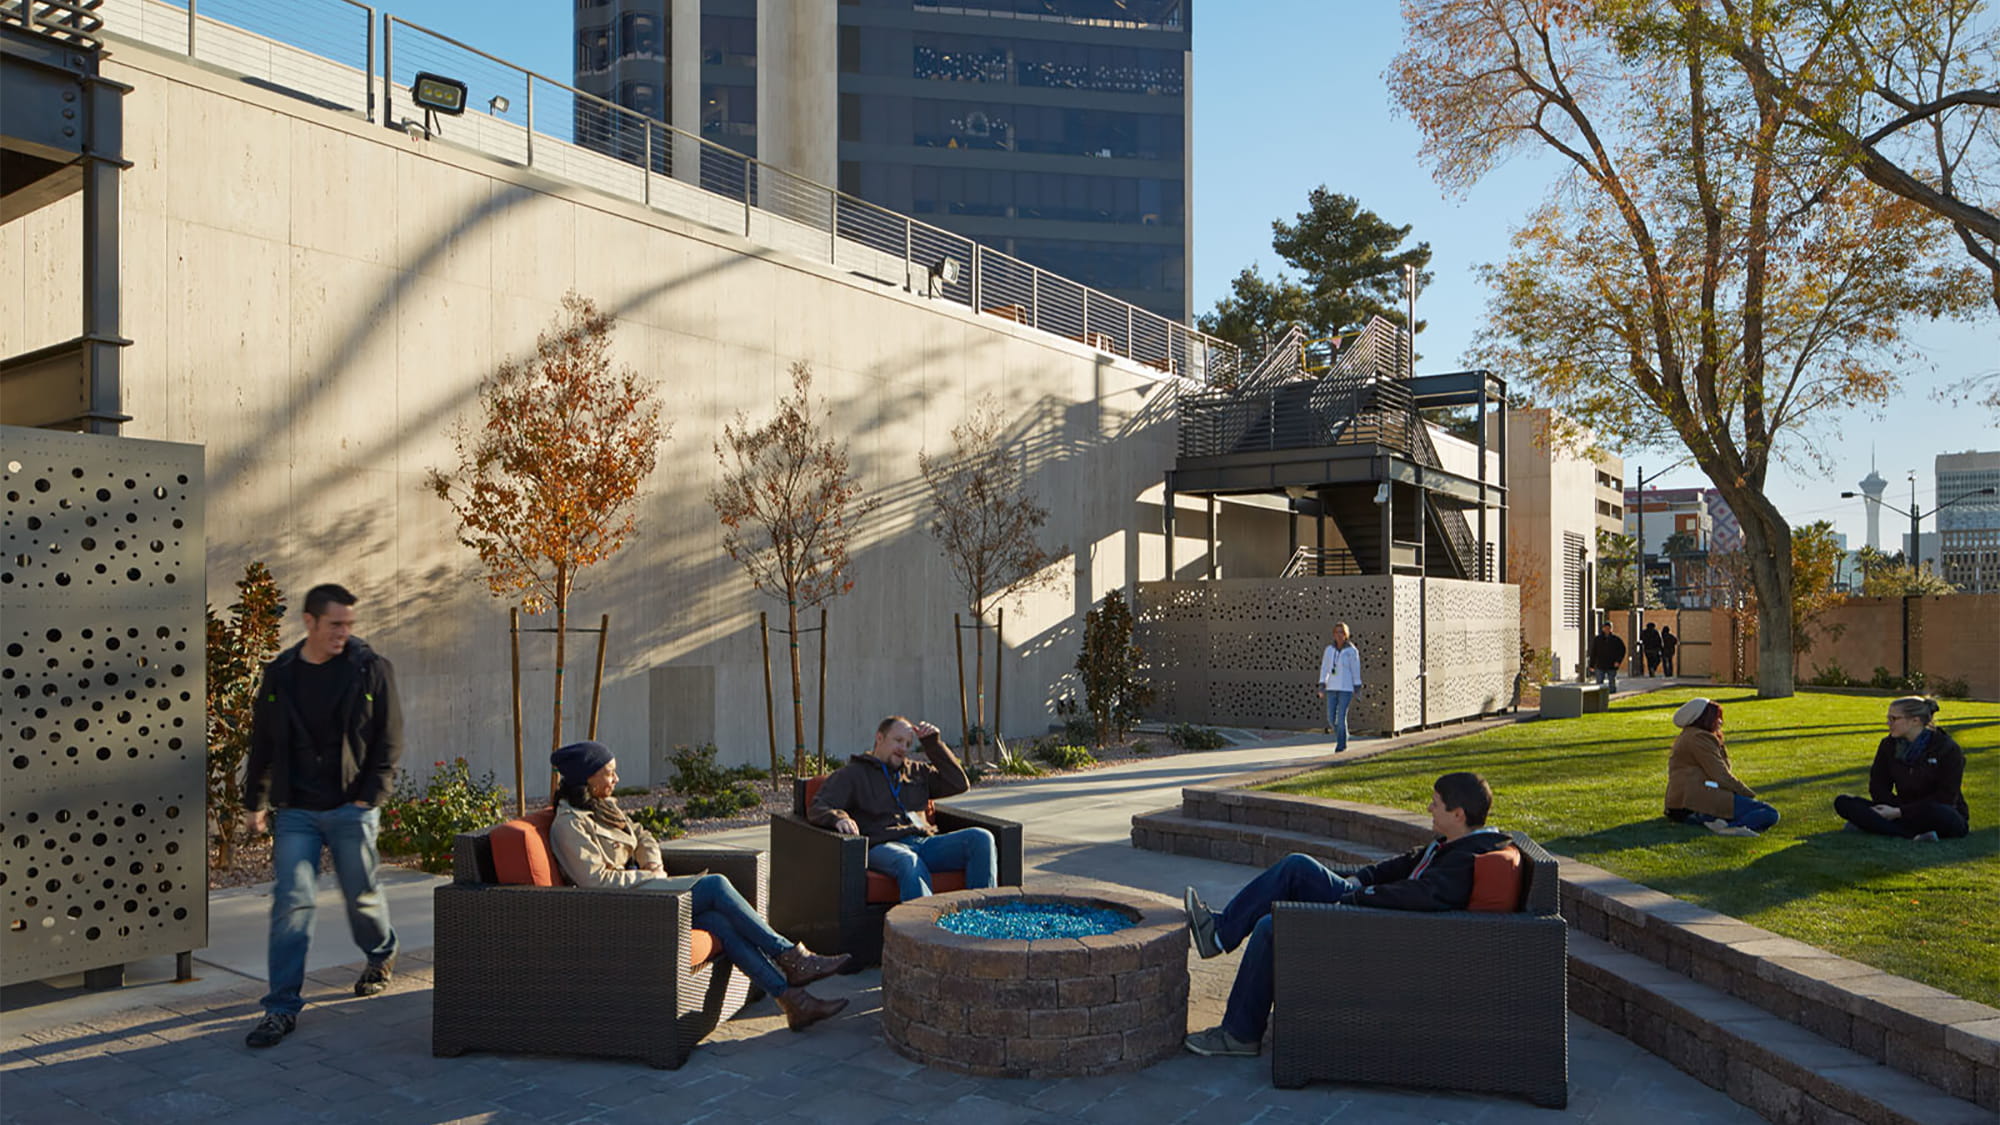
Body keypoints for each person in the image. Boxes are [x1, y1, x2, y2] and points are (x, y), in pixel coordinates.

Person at [1180, 773, 1511, 1057]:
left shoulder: (1467, 856)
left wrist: (1360, 896)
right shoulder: (1452, 842)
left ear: (1458, 813)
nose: (1428, 808)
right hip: (1376, 915)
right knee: (1296, 868)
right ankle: (1219, 937)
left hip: (1379, 928)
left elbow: (1425, 896)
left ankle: (1238, 1032)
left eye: (1436, 803)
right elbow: (1402, 865)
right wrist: (1362, 878)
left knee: (1272, 925)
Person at [548, 740, 852, 1029]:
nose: (617, 778)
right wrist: (650, 877)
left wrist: (652, 863)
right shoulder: (568, 824)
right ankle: (792, 958)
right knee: (716, 885)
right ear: (587, 778)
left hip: (646, 895)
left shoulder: (603, 807)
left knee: (719, 922)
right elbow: (596, 882)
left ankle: (792, 1001)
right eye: (609, 772)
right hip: (623, 908)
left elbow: (642, 835)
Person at [240, 584, 402, 1049]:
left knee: (363, 897)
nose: (344, 633)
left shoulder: (371, 670)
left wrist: (369, 797)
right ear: (309, 622)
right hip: (297, 812)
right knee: (292, 903)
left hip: (351, 807)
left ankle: (381, 952)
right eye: (335, 625)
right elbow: (263, 744)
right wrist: (256, 802)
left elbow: (390, 741)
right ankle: (281, 1008)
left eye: (349, 625)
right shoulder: (281, 675)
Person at [809, 716, 997, 900]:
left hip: (924, 843)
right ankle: (923, 929)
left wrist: (933, 744)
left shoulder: (916, 771)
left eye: (908, 744)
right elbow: (819, 804)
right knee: (908, 861)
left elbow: (958, 784)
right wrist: (839, 818)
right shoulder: (853, 774)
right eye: (898, 740)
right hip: (882, 846)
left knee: (980, 838)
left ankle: (982, 917)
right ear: (879, 738)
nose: (903, 749)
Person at [1833, 697, 1970, 841]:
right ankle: (1914, 835)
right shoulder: (1888, 745)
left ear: (1915, 721)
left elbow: (1946, 797)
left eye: (1894, 719)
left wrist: (1900, 812)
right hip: (1900, 807)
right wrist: (1891, 809)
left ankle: (1877, 825)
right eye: (1888, 718)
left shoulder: (1947, 748)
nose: (1888, 723)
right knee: (1843, 802)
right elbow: (1878, 786)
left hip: (1937, 812)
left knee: (1941, 813)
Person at [1664, 697, 1778, 837]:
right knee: (1770, 813)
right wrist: (1747, 794)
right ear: (1704, 719)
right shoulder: (1700, 738)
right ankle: (1730, 828)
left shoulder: (1690, 735)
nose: (1720, 722)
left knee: (1747, 806)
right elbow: (1721, 775)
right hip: (1693, 804)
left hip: (1682, 804)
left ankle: (1720, 821)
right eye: (1716, 718)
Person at [1315, 622, 1363, 752]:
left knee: (1341, 717)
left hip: (1346, 688)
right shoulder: (1329, 650)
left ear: (1346, 634)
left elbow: (1355, 669)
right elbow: (1325, 668)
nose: (1339, 635)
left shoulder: (1352, 651)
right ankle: (1344, 735)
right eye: (1336, 632)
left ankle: (1341, 746)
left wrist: (1357, 687)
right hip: (1331, 687)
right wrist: (1322, 684)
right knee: (1331, 718)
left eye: (1341, 632)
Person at [1589, 621, 1627, 693]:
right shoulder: (1598, 639)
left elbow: (1622, 650)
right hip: (1600, 664)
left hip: (1612, 664)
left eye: (1609, 628)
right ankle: (1600, 695)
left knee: (1612, 681)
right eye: (1606, 628)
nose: (1607, 629)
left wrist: (1618, 661)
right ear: (1603, 628)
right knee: (1599, 682)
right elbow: (1593, 652)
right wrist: (1592, 665)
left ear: (1611, 629)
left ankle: (1612, 695)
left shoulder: (1616, 639)